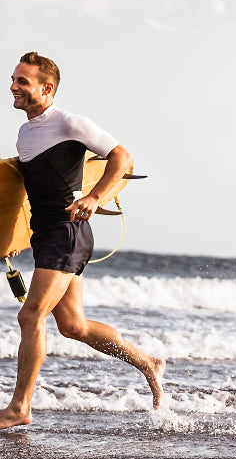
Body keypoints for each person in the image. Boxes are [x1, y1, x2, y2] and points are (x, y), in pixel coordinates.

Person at [1, 51, 164, 430]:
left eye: (22, 81)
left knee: (30, 315)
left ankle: (20, 407)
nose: (13, 87)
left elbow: (122, 157)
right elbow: (28, 195)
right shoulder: (27, 132)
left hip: (67, 232)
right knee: (73, 325)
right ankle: (148, 362)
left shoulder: (69, 122)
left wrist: (95, 198)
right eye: (13, 79)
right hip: (46, 234)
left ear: (47, 87)